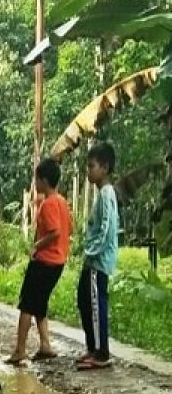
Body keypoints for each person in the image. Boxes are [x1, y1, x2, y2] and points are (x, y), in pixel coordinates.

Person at [6, 158, 73, 366]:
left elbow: (55, 232)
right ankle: (45, 345)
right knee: (40, 303)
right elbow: (68, 230)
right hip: (58, 262)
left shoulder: (49, 204)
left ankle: (20, 349)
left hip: (45, 261)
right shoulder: (62, 202)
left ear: (43, 180)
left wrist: (37, 246)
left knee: (27, 304)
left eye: (36, 178)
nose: (34, 182)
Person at [77, 143, 120, 371]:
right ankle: (93, 347)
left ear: (104, 167)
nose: (88, 170)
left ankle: (101, 353)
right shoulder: (102, 194)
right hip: (92, 261)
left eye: (92, 166)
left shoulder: (107, 194)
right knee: (83, 300)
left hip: (98, 261)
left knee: (95, 305)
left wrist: (92, 251)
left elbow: (107, 228)